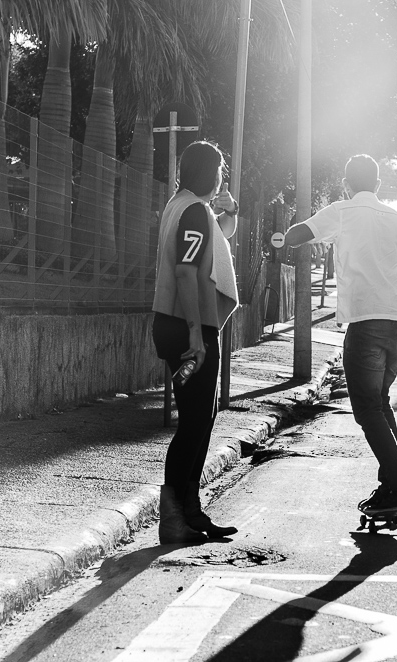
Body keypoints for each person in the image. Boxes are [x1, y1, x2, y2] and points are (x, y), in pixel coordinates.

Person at [284, 154, 397, 516]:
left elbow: (294, 237)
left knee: (367, 407)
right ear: (379, 185)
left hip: (366, 324)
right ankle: (391, 485)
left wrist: (323, 225)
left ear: (345, 184)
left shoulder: (341, 211)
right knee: (380, 402)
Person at [151, 140, 240, 544]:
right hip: (189, 329)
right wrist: (195, 336)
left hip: (180, 325)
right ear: (212, 173)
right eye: (220, 170)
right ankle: (173, 520)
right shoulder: (192, 210)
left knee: (200, 421)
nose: (222, 177)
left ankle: (191, 511)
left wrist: (230, 211)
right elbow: (186, 271)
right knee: (192, 425)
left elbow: (216, 239)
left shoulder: (183, 205)